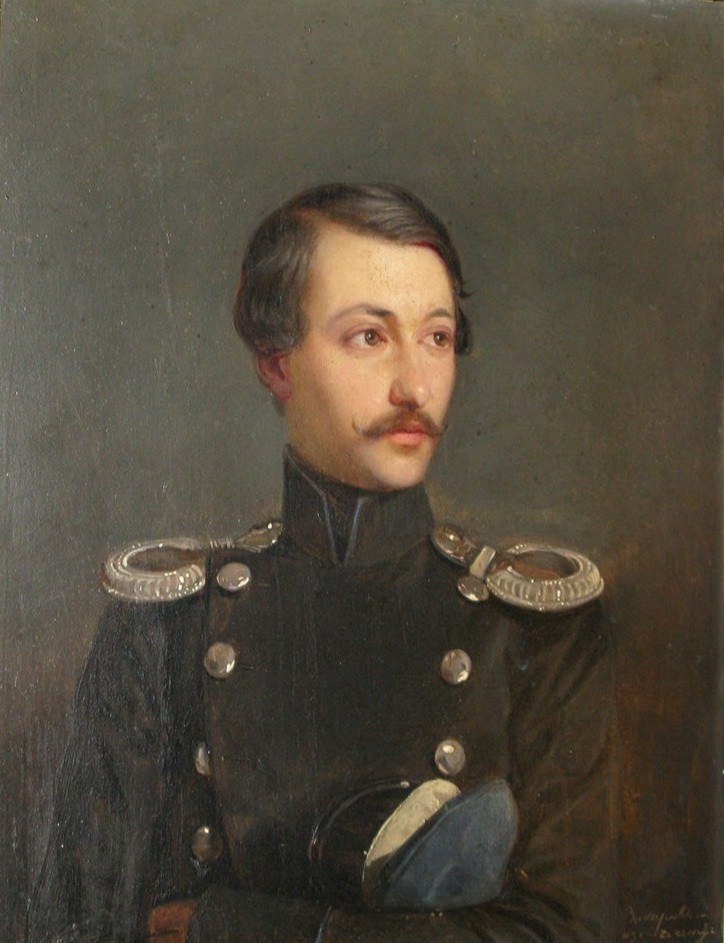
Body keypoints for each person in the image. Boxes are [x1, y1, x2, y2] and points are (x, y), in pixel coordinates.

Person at [29, 183, 615, 943]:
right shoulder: (168, 627)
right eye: (369, 336)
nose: (414, 386)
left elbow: (566, 930)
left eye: (437, 337)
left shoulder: (534, 629)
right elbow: (76, 922)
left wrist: (232, 928)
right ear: (276, 364)